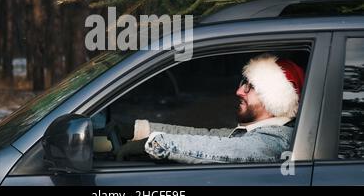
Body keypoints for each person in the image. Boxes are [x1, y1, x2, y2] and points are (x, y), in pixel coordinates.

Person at [113, 53, 305, 164]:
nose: (239, 91)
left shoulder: (277, 141)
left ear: (274, 100)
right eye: (242, 83)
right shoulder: (260, 132)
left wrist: (152, 144)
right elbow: (209, 135)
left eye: (250, 87)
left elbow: (222, 148)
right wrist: (139, 130)